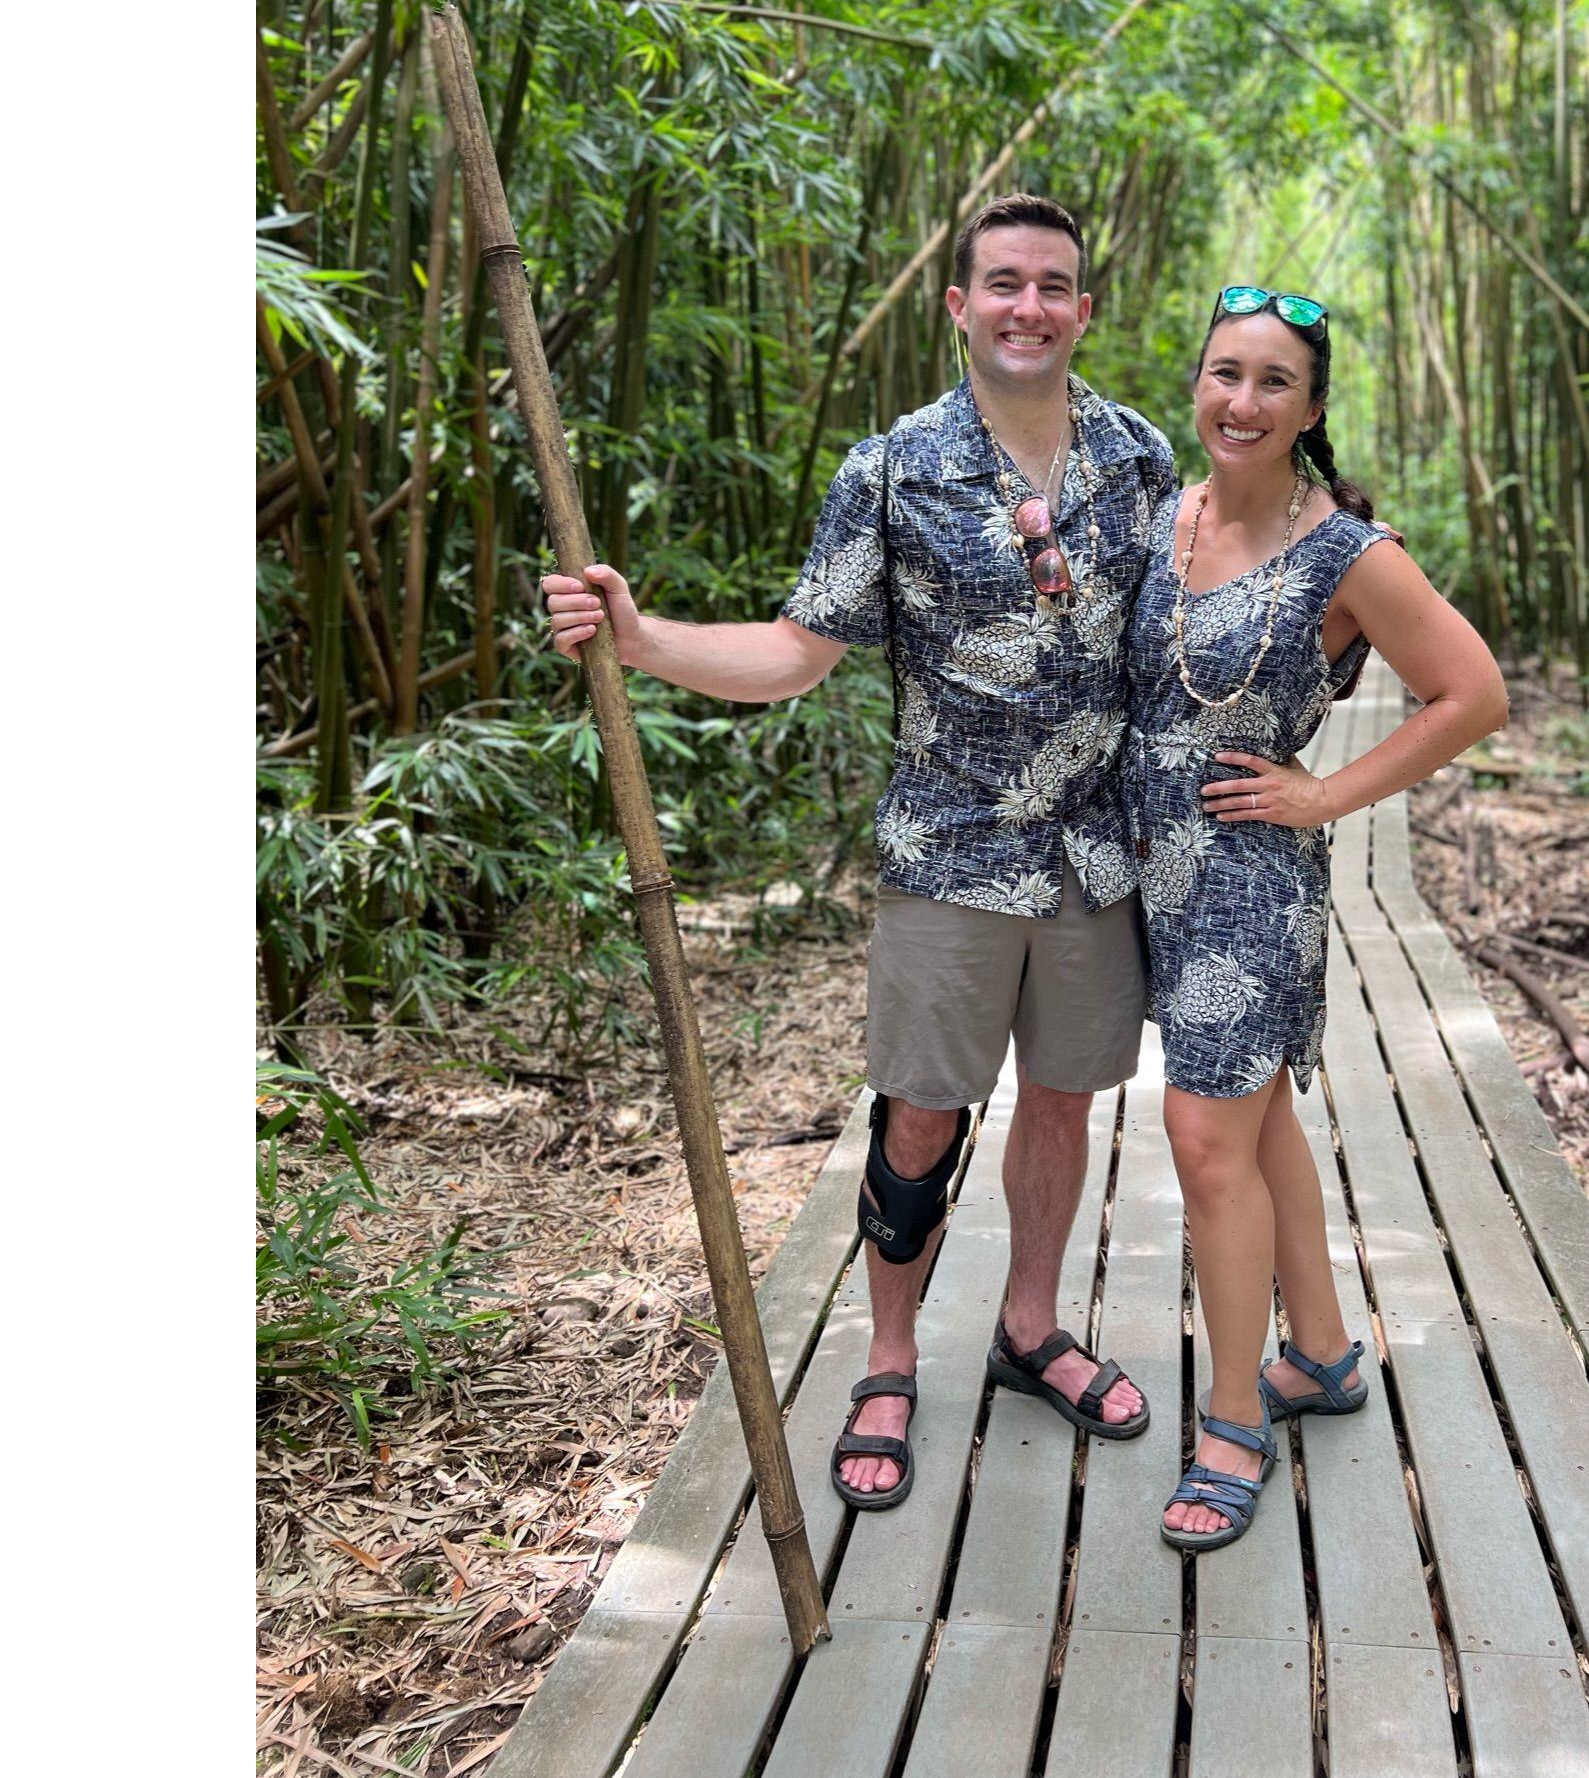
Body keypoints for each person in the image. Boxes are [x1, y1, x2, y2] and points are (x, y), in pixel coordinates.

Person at [541, 196, 1173, 1510]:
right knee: (921, 1113)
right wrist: (643, 637)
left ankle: (1029, 1326)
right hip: (950, 847)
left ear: (1083, 309)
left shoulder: (1142, 460)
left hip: (1095, 858)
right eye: (1003, 283)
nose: (1028, 308)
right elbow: (795, 650)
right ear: (959, 305)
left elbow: (1181, 641)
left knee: (1061, 1099)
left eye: (1053, 286)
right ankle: (890, 1357)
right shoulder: (892, 467)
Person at [1123, 284, 1508, 1549]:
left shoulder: (1348, 549)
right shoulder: (1161, 517)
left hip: (1249, 870)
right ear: (1198, 384)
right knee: (1259, 1116)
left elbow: (1472, 692)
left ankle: (1233, 1418)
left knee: (1204, 1141)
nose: (1243, 401)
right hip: (1152, 872)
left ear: (1311, 408)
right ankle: (1326, 1355)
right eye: (1226, 374)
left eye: (1274, 382)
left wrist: (1326, 790)